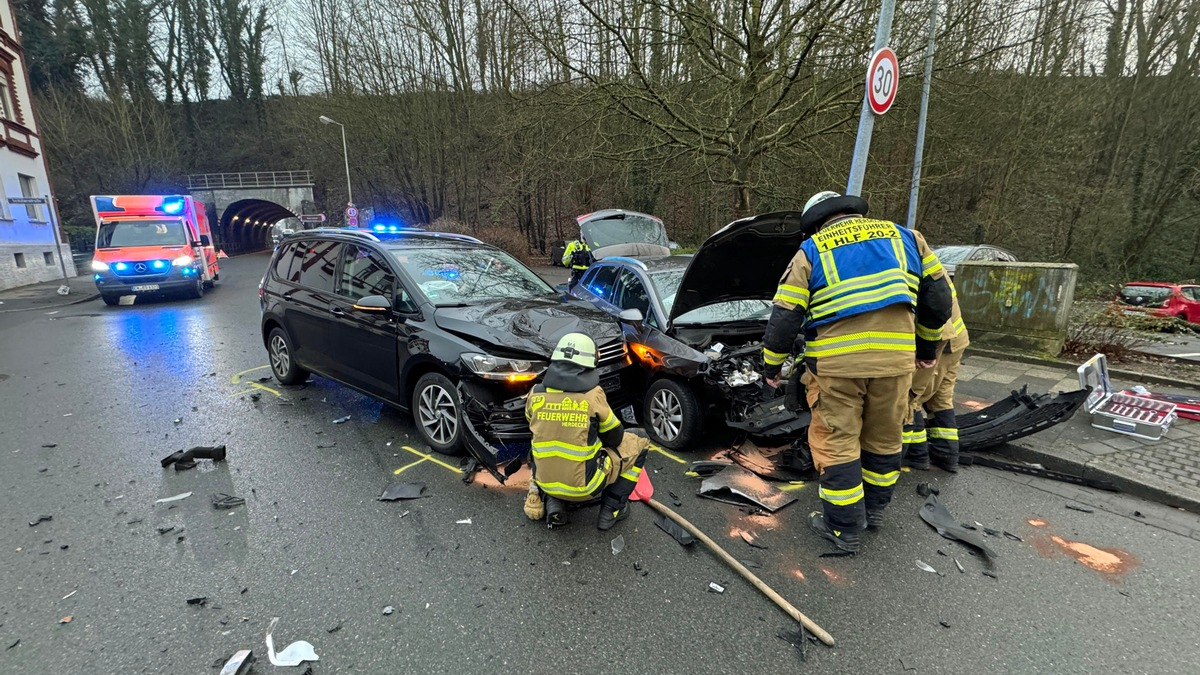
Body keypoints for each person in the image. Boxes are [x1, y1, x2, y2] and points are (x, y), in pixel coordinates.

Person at [761, 191, 952, 554]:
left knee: (837, 443)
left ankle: (843, 529)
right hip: (894, 365)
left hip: (837, 369)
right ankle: (875, 512)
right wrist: (926, 350)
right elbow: (939, 299)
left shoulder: (812, 250)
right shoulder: (907, 238)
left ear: (815, 222)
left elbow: (786, 315)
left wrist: (772, 366)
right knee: (883, 438)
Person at [524, 332, 650, 530]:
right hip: (586, 486)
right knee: (640, 439)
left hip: (543, 481)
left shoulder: (536, 393)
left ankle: (555, 503)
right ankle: (612, 510)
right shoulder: (592, 396)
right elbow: (615, 437)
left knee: (546, 447)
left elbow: (535, 428)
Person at [903, 281, 969, 472]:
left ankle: (915, 456)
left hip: (937, 341)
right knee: (941, 400)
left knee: (910, 398)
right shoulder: (930, 263)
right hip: (955, 338)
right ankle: (946, 456)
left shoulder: (912, 263)